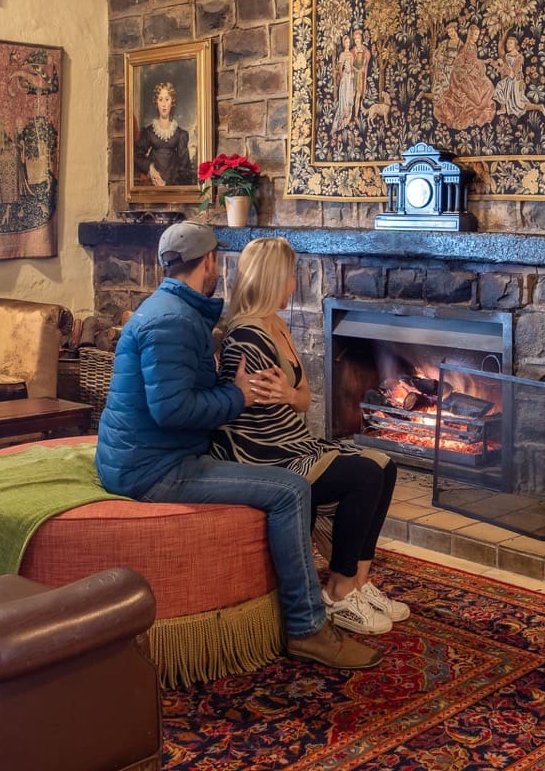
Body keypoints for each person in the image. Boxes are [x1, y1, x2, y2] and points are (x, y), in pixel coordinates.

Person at [95, 222, 382, 670]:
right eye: (217, 261)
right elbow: (171, 411)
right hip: (155, 469)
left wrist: (240, 392)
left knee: (312, 482)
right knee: (290, 490)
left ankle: (328, 597)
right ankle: (307, 629)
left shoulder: (173, 309)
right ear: (209, 262)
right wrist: (239, 395)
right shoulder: (172, 319)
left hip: (154, 455)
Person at [210, 237, 407, 636]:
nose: (293, 285)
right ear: (270, 279)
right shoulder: (247, 336)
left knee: (386, 465)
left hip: (290, 437)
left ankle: (358, 583)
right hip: (262, 451)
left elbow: (302, 400)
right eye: (289, 277)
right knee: (364, 475)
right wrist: (284, 397)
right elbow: (256, 412)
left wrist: (289, 394)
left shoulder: (276, 324)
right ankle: (337, 593)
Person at [433, 23, 496, 129]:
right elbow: (458, 67)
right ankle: (475, 109)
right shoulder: (464, 48)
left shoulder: (474, 46)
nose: (475, 37)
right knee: (477, 99)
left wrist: (484, 62)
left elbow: (473, 61)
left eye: (477, 35)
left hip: (471, 74)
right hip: (461, 77)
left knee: (489, 85)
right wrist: (469, 72)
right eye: (474, 35)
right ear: (470, 35)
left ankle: (479, 107)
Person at [134, 82, 194, 186]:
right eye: (160, 99)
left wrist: (167, 185)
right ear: (156, 102)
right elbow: (136, 155)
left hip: (173, 186)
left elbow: (184, 169)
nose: (164, 104)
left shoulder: (180, 134)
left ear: (172, 102)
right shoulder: (149, 132)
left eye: (167, 99)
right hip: (151, 186)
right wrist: (150, 168)